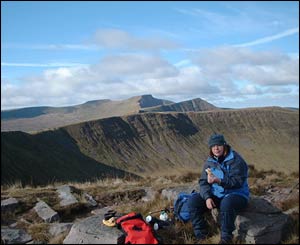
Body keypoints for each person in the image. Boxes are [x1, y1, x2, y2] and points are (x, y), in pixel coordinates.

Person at [187, 133, 250, 244]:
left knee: (227, 202)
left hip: (237, 195)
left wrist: (219, 181)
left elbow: (237, 182)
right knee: (193, 201)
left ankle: (226, 238)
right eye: (213, 146)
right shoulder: (209, 162)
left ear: (224, 145)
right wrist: (207, 197)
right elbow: (203, 182)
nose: (216, 148)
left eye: (219, 145)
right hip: (218, 195)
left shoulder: (236, 160)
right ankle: (201, 235)